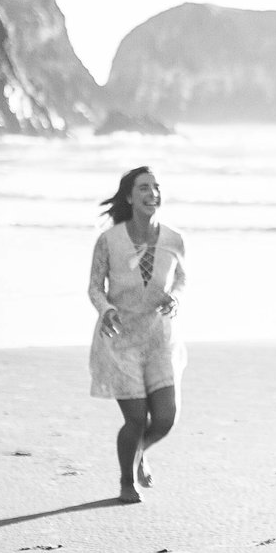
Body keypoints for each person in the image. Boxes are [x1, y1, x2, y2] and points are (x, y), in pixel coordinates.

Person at [87, 165, 185, 504]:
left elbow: (182, 279)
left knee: (166, 418)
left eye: (156, 187)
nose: (152, 193)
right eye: (144, 187)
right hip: (120, 339)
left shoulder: (174, 239)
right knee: (135, 418)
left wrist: (176, 297)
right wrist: (106, 309)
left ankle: (140, 453)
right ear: (129, 196)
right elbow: (94, 287)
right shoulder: (109, 241)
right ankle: (126, 481)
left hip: (159, 338)